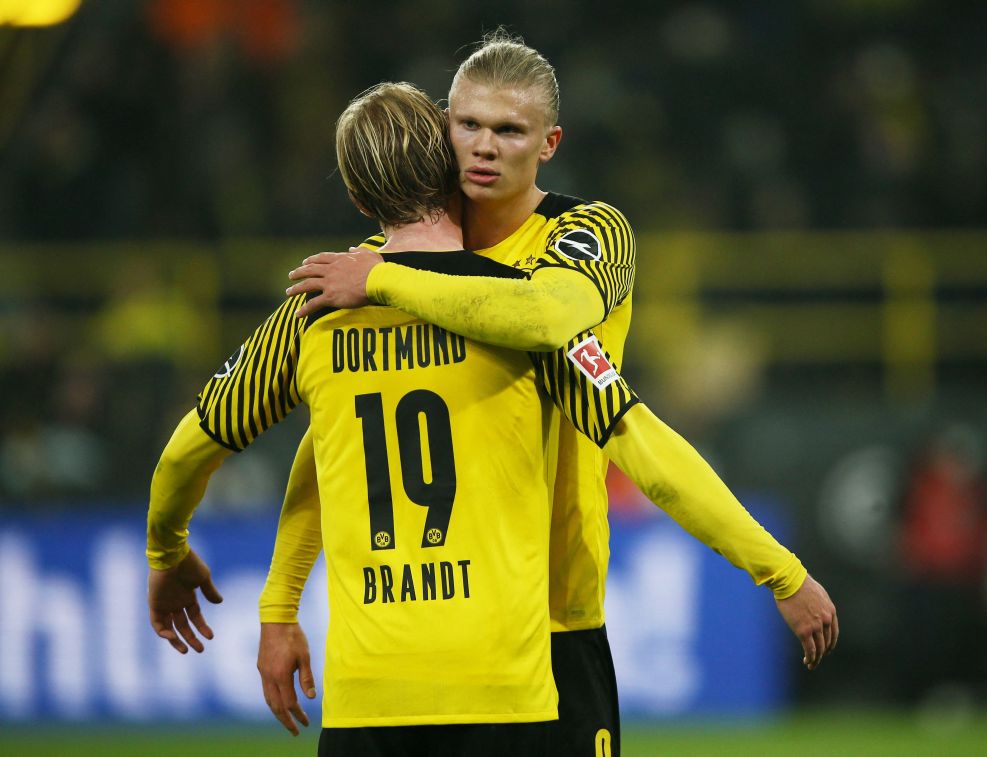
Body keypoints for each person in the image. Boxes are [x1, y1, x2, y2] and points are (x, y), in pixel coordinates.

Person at [264, 30, 838, 755]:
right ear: (443, 125)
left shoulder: (582, 236)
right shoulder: (393, 263)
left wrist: (777, 570)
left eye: (509, 130)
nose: (483, 146)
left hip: (557, 620)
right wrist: (280, 605)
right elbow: (330, 444)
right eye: (468, 124)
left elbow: (626, 423)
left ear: (549, 142)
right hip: (427, 642)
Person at [147, 81, 643, 755]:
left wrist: (170, 552)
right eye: (468, 125)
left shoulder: (329, 299)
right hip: (537, 642)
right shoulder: (524, 294)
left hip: (377, 685)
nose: (486, 144)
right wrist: (779, 573)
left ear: (357, 195)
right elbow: (644, 441)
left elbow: (192, 454)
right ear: (450, 154)